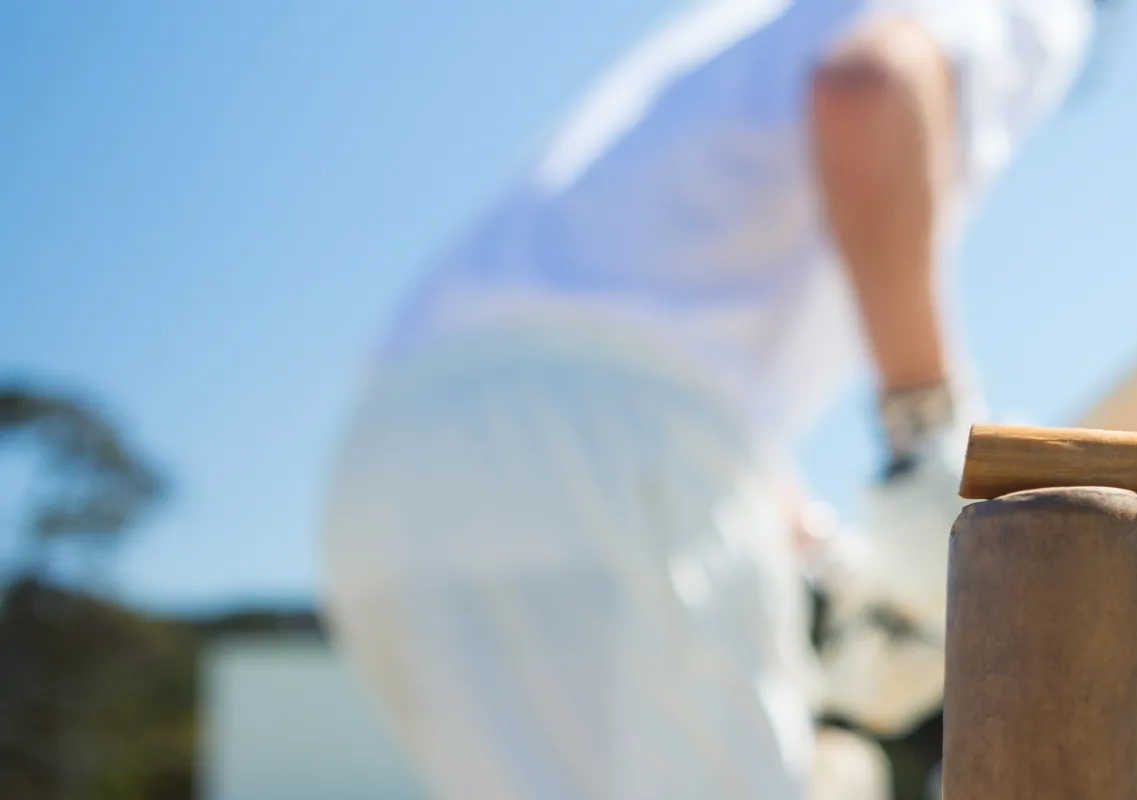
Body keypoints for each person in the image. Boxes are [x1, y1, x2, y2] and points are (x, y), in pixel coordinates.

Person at [316, 1, 1092, 796]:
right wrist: (928, 430)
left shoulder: (736, 36)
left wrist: (826, 567)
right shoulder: (1046, 14)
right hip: (600, 447)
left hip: (391, 467)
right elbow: (868, 87)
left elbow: (651, 342)